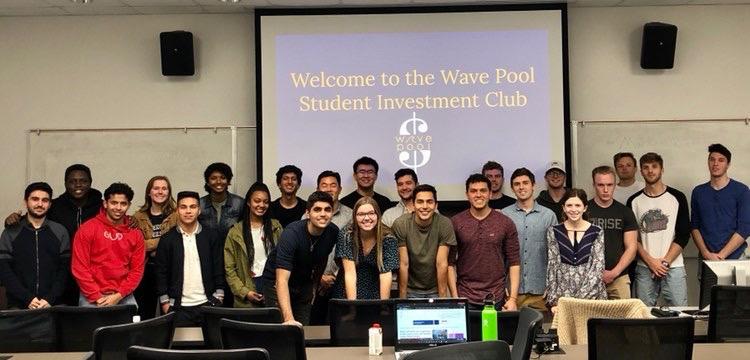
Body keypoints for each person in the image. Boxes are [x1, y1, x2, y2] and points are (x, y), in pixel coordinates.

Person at [4, 164, 102, 306]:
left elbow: (117, 216)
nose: (78, 185)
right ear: (65, 183)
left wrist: (132, 220)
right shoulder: (54, 206)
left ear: (90, 182)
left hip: (94, 274)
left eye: (83, 180)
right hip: (63, 274)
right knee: (66, 318)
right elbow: (34, 216)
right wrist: (13, 219)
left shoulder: (101, 206)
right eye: (72, 181)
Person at [261, 191, 339, 326]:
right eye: (317, 210)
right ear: (308, 213)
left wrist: (314, 287)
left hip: (303, 281)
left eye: (327, 210)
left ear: (332, 213)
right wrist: (289, 318)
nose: (323, 214)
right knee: (284, 327)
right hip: (276, 281)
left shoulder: (333, 232)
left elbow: (322, 258)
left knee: (303, 328)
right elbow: (281, 279)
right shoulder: (292, 233)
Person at [627, 152, 690, 307]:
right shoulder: (634, 201)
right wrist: (651, 263)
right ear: (640, 171)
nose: (650, 171)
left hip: (673, 267)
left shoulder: (677, 197)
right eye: (646, 167)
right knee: (643, 316)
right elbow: (633, 239)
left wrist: (665, 263)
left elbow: (683, 235)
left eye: (654, 166)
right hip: (644, 268)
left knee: (680, 314)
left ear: (662, 169)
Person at [155, 191, 226, 326]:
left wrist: (219, 296)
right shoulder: (167, 239)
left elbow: (219, 267)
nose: (188, 211)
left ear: (199, 210)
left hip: (209, 303)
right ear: (177, 210)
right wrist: (165, 303)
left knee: (213, 346)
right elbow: (161, 273)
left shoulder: (211, 236)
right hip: (177, 307)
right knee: (181, 347)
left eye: (193, 207)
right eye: (183, 207)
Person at [452, 174, 520, 310]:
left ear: (490, 194)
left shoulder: (505, 222)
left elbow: (514, 262)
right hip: (465, 297)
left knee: (495, 332)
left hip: (497, 297)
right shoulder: (455, 222)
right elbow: (449, 264)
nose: (478, 195)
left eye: (483, 191)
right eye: (473, 191)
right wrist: (455, 298)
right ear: (467, 195)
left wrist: (513, 298)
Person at [71, 182, 145, 307]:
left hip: (123, 295)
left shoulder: (136, 234)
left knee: (131, 326)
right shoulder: (87, 229)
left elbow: (136, 270)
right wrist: (97, 297)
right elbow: (79, 267)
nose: (118, 207)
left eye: (123, 204)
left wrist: (119, 295)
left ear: (129, 205)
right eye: (114, 203)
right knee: (90, 326)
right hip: (91, 295)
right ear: (105, 203)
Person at [0, 182, 70, 309]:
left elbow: (64, 270)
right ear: (25, 202)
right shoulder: (10, 232)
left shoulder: (60, 231)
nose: (40, 204)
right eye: (35, 199)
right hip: (18, 305)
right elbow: (4, 270)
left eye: (45, 200)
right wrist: (28, 298)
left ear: (50, 204)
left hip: (52, 305)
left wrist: (50, 299)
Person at [502, 168, 557, 311]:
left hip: (541, 292)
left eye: (525, 183)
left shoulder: (548, 216)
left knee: (540, 332)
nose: (521, 187)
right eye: (517, 184)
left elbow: (555, 255)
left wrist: (552, 285)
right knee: (513, 332)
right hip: (512, 292)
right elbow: (498, 254)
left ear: (533, 185)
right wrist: (502, 285)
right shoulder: (504, 215)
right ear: (512, 188)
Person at [545, 189, 606, 311]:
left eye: (578, 205)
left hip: (591, 297)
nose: (573, 209)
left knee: (590, 330)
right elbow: (552, 265)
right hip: (563, 297)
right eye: (569, 205)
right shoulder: (554, 231)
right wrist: (554, 301)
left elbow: (597, 267)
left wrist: (579, 300)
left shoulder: (596, 231)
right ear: (563, 207)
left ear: (585, 208)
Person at [393, 184, 456, 298]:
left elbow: (441, 264)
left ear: (436, 205)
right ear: (413, 204)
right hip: (410, 289)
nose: (425, 206)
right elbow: (403, 264)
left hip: (435, 288)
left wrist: (442, 300)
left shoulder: (444, 224)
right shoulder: (401, 224)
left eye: (430, 202)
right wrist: (402, 299)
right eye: (420, 202)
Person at [225, 182, 282, 307]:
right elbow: (229, 269)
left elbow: (284, 261)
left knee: (273, 325)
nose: (261, 205)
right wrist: (245, 292)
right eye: (257, 201)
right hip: (247, 287)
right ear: (249, 202)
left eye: (266, 202)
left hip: (272, 286)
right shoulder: (235, 232)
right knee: (249, 325)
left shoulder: (276, 227)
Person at [307, 170, 353, 324]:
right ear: (317, 189)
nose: (328, 189)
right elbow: (305, 252)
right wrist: (319, 277)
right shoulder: (307, 216)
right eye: (324, 185)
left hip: (341, 282)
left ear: (340, 189)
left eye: (333, 185)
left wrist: (335, 276)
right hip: (314, 283)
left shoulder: (351, 216)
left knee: (340, 327)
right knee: (314, 328)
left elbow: (353, 249)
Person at [586, 166, 638, 299]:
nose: (605, 189)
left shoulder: (625, 212)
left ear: (615, 185)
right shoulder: (583, 211)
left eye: (609, 185)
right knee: (590, 318)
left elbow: (631, 248)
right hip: (588, 277)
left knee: (624, 318)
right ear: (594, 185)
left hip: (619, 277)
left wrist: (614, 273)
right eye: (600, 185)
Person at [691, 144, 750, 261]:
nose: (715, 164)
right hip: (706, 258)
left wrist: (721, 255)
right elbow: (694, 226)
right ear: (708, 163)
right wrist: (705, 253)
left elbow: (745, 227)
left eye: (721, 160)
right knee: (707, 280)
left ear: (728, 164)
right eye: (712, 160)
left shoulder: (742, 191)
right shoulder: (698, 192)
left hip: (736, 258)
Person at [332, 197, 399, 300]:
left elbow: (385, 274)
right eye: (361, 214)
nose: (367, 218)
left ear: (378, 215)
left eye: (371, 213)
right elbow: (350, 273)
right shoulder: (346, 235)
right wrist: (352, 308)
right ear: (354, 217)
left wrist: (383, 305)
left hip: (376, 289)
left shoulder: (388, 238)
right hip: (347, 291)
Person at [132, 176, 179, 320]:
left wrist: (151, 244)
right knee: (145, 313)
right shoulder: (138, 217)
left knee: (170, 312)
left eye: (164, 188)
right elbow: (136, 246)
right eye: (156, 188)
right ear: (149, 192)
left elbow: (177, 243)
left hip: (171, 270)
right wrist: (164, 241)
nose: (160, 192)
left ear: (169, 192)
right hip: (146, 271)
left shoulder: (177, 215)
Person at [198, 162, 243, 242]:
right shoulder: (199, 204)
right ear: (208, 182)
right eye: (213, 178)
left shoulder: (239, 203)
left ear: (228, 181)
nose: (218, 181)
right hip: (207, 251)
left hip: (232, 251)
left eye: (223, 177)